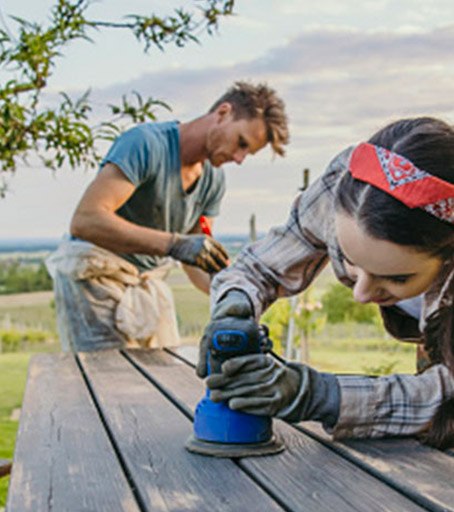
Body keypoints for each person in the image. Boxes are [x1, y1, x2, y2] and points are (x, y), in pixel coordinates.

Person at [199, 117, 454, 448]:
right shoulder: (352, 188)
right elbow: (259, 267)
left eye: (396, 277)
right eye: (352, 262)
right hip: (449, 334)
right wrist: (233, 305)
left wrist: (321, 396)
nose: (361, 294)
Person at [46, 81, 289, 353]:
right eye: (241, 143)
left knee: (165, 372)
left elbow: (198, 260)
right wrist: (174, 244)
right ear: (223, 113)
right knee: (109, 382)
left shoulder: (213, 180)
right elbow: (86, 220)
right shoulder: (146, 145)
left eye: (248, 152)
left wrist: (234, 291)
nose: (240, 158)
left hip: (147, 283)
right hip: (95, 280)